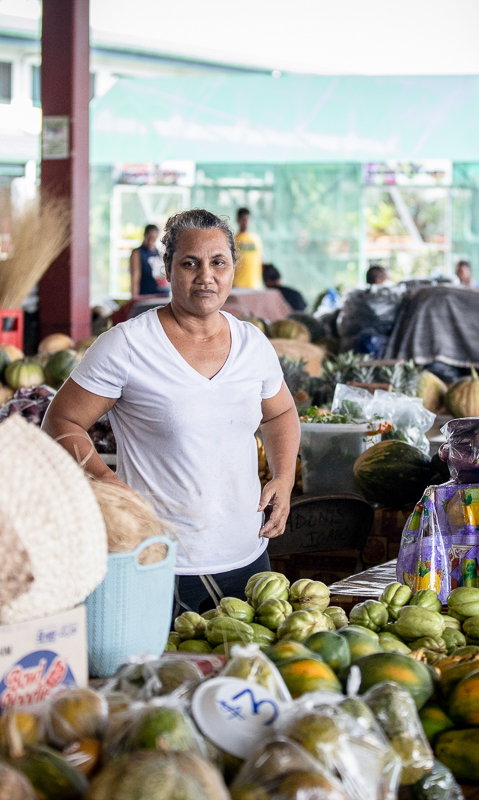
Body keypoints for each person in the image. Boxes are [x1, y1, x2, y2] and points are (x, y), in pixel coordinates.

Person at [43, 209, 300, 614]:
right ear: (167, 269)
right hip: (157, 559)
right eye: (190, 263)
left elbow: (280, 413)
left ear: (234, 267)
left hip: (248, 558)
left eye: (218, 262)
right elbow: (60, 422)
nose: (206, 276)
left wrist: (284, 478)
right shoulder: (127, 345)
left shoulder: (254, 344)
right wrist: (111, 486)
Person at [130, 224, 168, 298]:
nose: (151, 242)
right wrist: (134, 298)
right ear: (145, 235)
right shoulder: (138, 253)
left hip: (161, 294)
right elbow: (135, 277)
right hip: (145, 295)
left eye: (154, 239)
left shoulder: (158, 253)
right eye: (149, 238)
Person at [232, 207, 264, 289]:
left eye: (247, 219)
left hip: (254, 285)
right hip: (237, 284)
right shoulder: (233, 240)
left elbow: (259, 261)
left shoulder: (256, 239)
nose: (246, 222)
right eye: (243, 219)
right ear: (238, 220)